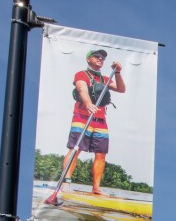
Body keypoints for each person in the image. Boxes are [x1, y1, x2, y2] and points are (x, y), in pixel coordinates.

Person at [52, 48, 125, 200]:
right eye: (96, 56)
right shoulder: (82, 74)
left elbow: (121, 89)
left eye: (102, 58)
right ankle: (66, 182)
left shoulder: (105, 78)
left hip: (100, 121)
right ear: (88, 59)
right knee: (75, 149)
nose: (100, 59)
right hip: (82, 117)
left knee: (101, 154)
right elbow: (81, 88)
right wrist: (88, 103)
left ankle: (96, 188)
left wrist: (117, 72)